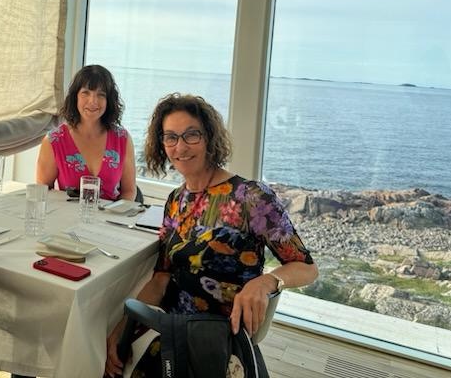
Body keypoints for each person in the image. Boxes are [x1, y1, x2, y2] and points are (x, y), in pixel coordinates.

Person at [105, 94, 318, 377]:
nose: (180, 147)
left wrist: (266, 281)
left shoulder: (251, 197)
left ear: (209, 138)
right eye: (171, 137)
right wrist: (122, 331)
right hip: (175, 335)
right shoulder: (175, 200)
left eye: (191, 135)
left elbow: (307, 268)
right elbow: (160, 279)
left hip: (220, 343)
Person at [36, 64, 137, 201]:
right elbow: (42, 192)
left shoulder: (122, 139)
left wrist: (116, 213)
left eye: (101, 95)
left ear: (108, 100)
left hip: (111, 215)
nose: (93, 101)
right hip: (66, 214)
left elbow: (129, 191)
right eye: (86, 93)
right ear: (75, 97)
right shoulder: (53, 141)